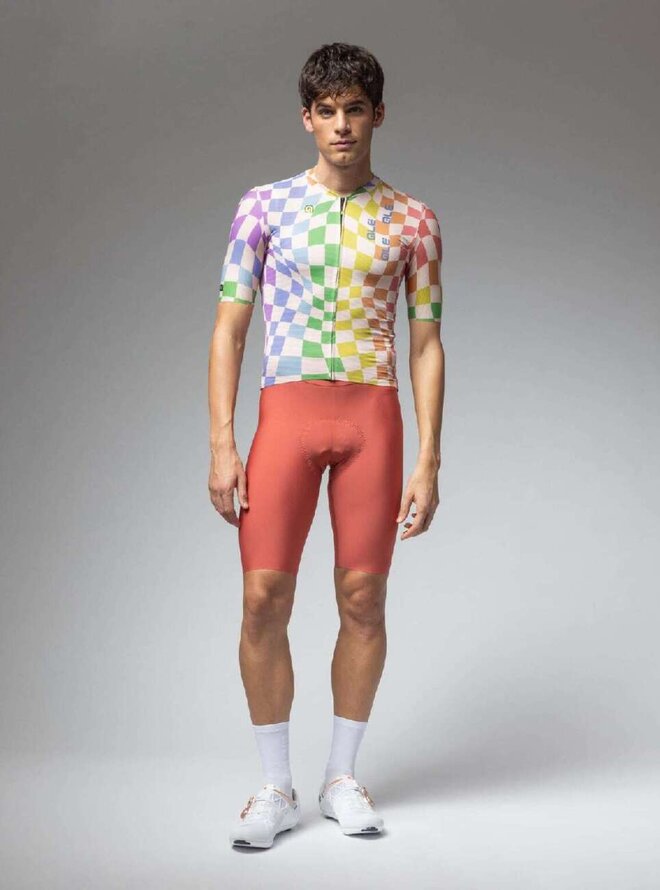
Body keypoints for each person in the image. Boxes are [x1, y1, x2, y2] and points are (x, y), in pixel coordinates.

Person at [208, 42, 445, 848]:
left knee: (363, 600)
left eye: (355, 109)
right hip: (288, 414)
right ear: (306, 118)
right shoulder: (263, 208)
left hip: (372, 419)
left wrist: (429, 459)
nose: (342, 125)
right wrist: (222, 442)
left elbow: (427, 345)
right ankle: (274, 787)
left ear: (378, 114)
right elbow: (228, 329)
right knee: (262, 599)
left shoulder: (414, 220)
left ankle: (342, 777)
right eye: (327, 111)